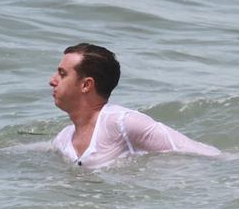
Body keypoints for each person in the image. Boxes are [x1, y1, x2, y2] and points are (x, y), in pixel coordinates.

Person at [49, 43, 220, 168]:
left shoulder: (122, 123)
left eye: (62, 74)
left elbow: (199, 152)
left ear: (86, 85)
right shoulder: (63, 139)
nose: (52, 81)